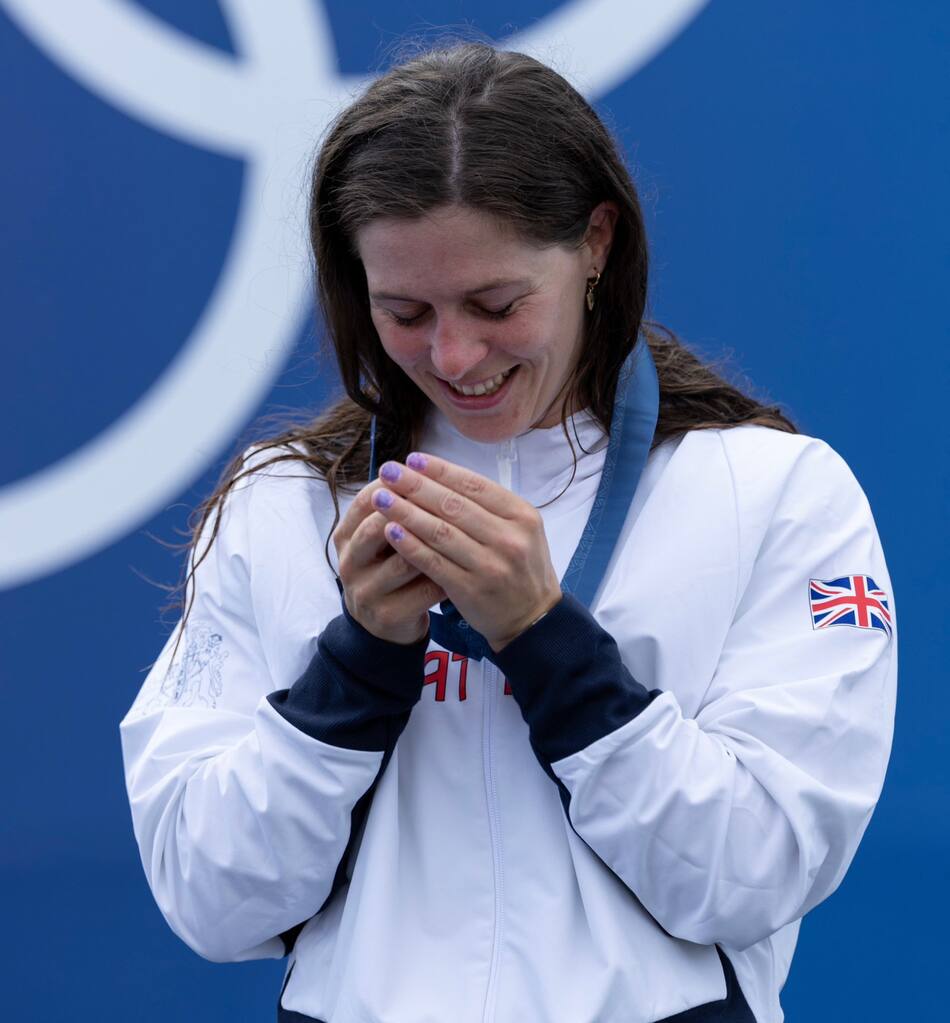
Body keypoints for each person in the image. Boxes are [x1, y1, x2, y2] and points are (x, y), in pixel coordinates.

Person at [120, 42, 897, 1023]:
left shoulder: (772, 491)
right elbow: (209, 900)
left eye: (495, 304)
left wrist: (547, 640)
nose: (452, 355)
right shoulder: (280, 503)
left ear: (596, 245)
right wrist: (354, 665)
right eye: (403, 310)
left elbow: (754, 872)